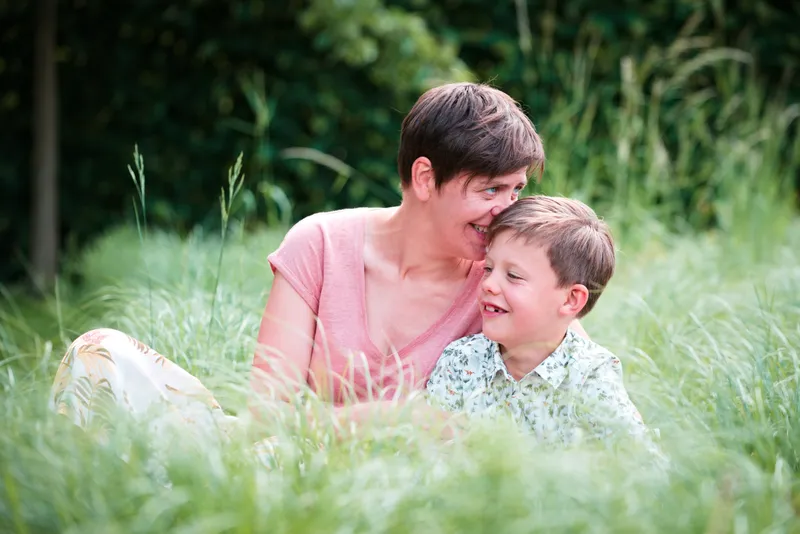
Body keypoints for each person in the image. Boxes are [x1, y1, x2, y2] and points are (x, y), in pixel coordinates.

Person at [49, 82, 586, 437]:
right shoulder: (322, 244)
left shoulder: (502, 283)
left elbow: (568, 381)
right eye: (492, 191)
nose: (507, 211)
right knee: (99, 352)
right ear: (425, 178)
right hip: (281, 461)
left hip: (395, 497)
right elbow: (265, 417)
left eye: (516, 191)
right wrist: (391, 418)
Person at [426, 195, 658, 452]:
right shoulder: (461, 361)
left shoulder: (590, 375)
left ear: (571, 299)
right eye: (489, 269)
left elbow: (642, 463)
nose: (488, 284)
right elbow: (430, 454)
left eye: (513, 275)